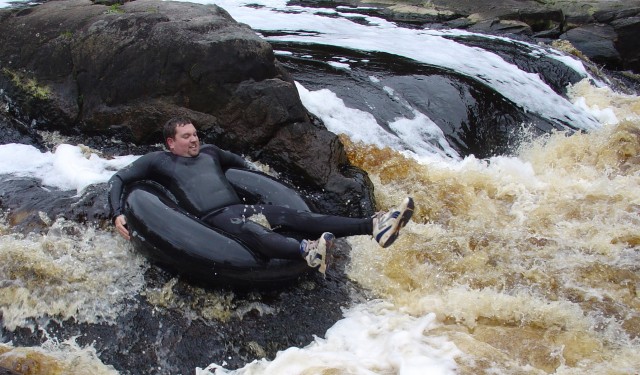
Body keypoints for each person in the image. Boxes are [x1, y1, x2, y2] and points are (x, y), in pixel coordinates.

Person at [108, 117, 414, 275]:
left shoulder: (212, 153)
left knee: (295, 216)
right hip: (213, 219)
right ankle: (306, 250)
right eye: (186, 136)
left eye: (195, 133)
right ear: (170, 143)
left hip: (240, 206)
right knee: (251, 232)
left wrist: (267, 183)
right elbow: (119, 179)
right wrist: (117, 213)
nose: (194, 139)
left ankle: (373, 226)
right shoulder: (159, 162)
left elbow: (245, 168)